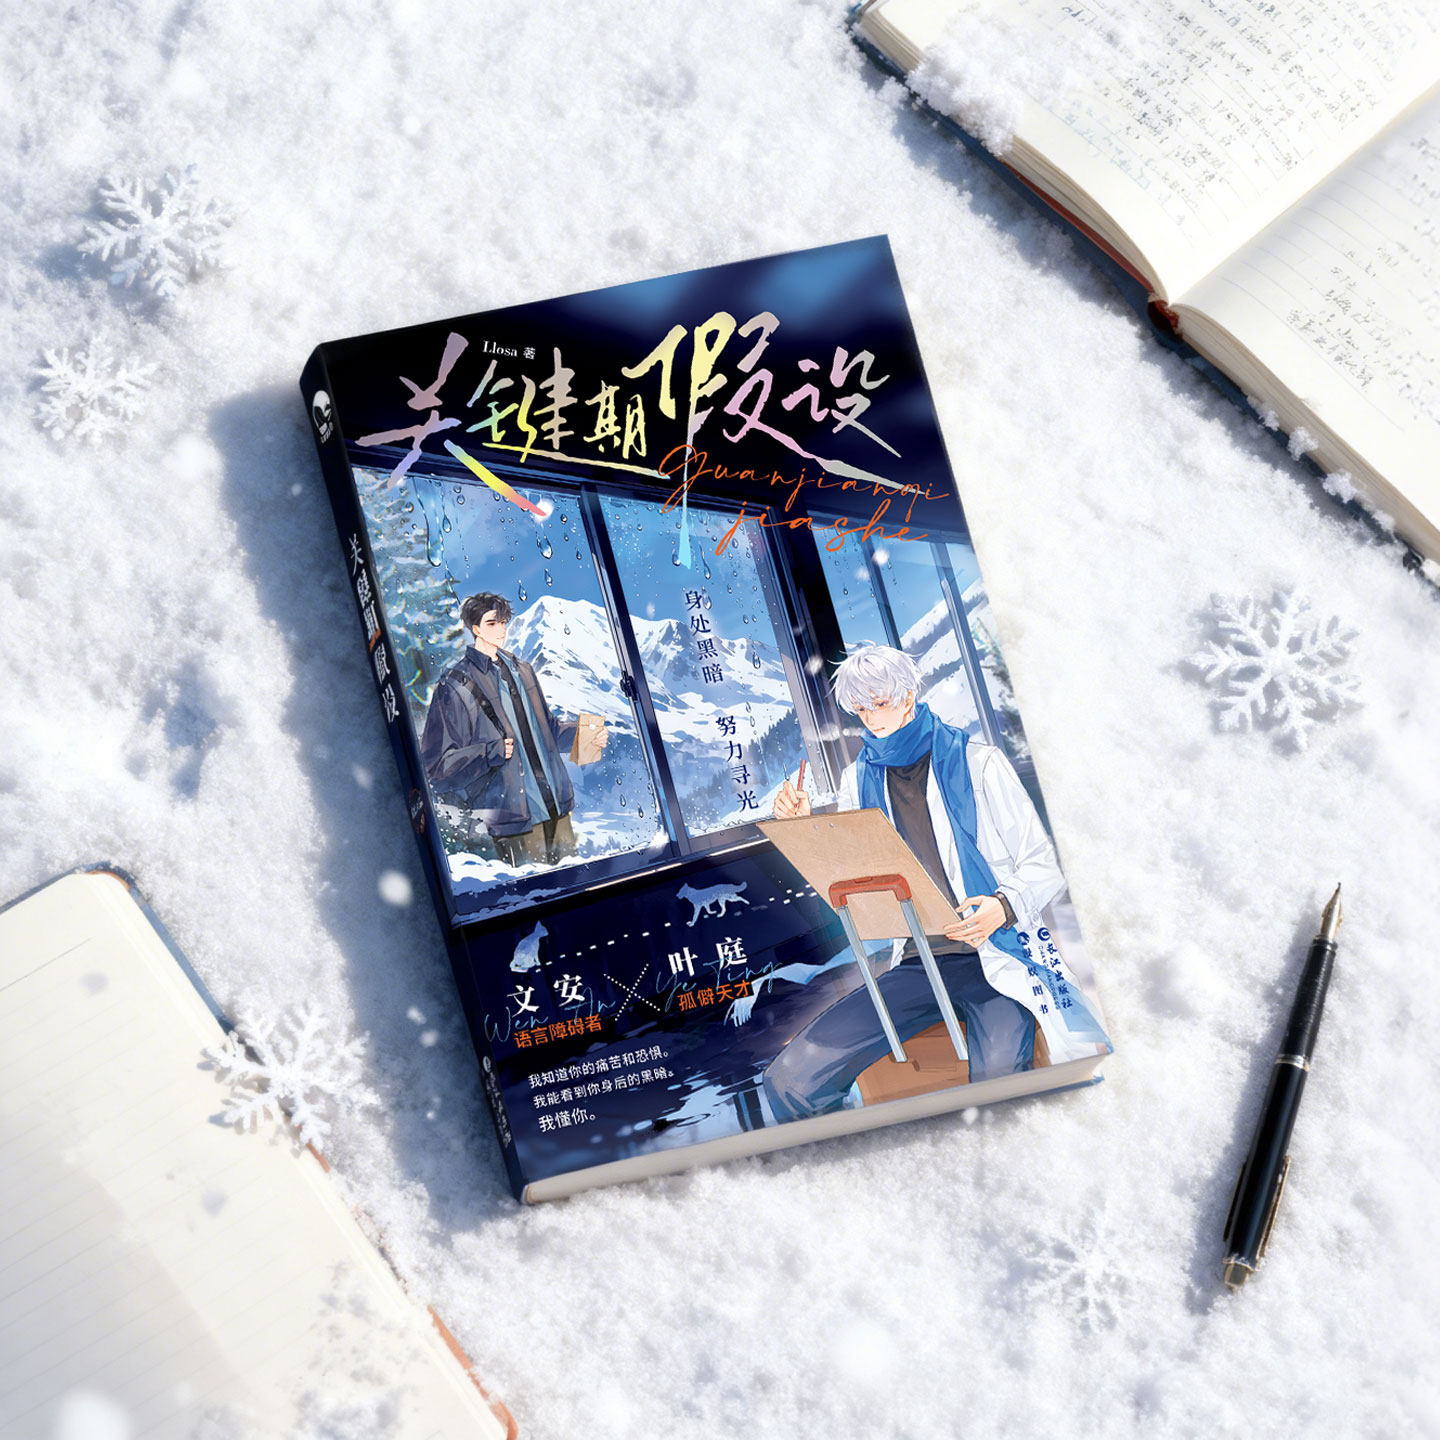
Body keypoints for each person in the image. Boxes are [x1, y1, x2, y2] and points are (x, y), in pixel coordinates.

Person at [764, 645, 1106, 1120]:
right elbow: (851, 884)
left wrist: (1003, 906)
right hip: (919, 961)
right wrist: (804, 828)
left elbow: (1043, 863)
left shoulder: (980, 763)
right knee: (790, 1079)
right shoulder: (857, 780)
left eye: (879, 702)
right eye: (860, 709)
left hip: (997, 956)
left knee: (999, 1095)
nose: (872, 718)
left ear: (908, 695)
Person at [420, 591, 607, 867]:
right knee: (536, 891)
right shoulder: (455, 684)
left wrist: (588, 735)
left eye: (503, 622)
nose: (501, 630)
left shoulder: (523, 670)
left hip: (556, 807)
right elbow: (436, 767)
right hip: (512, 820)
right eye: (492, 623)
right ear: (475, 628)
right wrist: (489, 753)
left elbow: (549, 732)